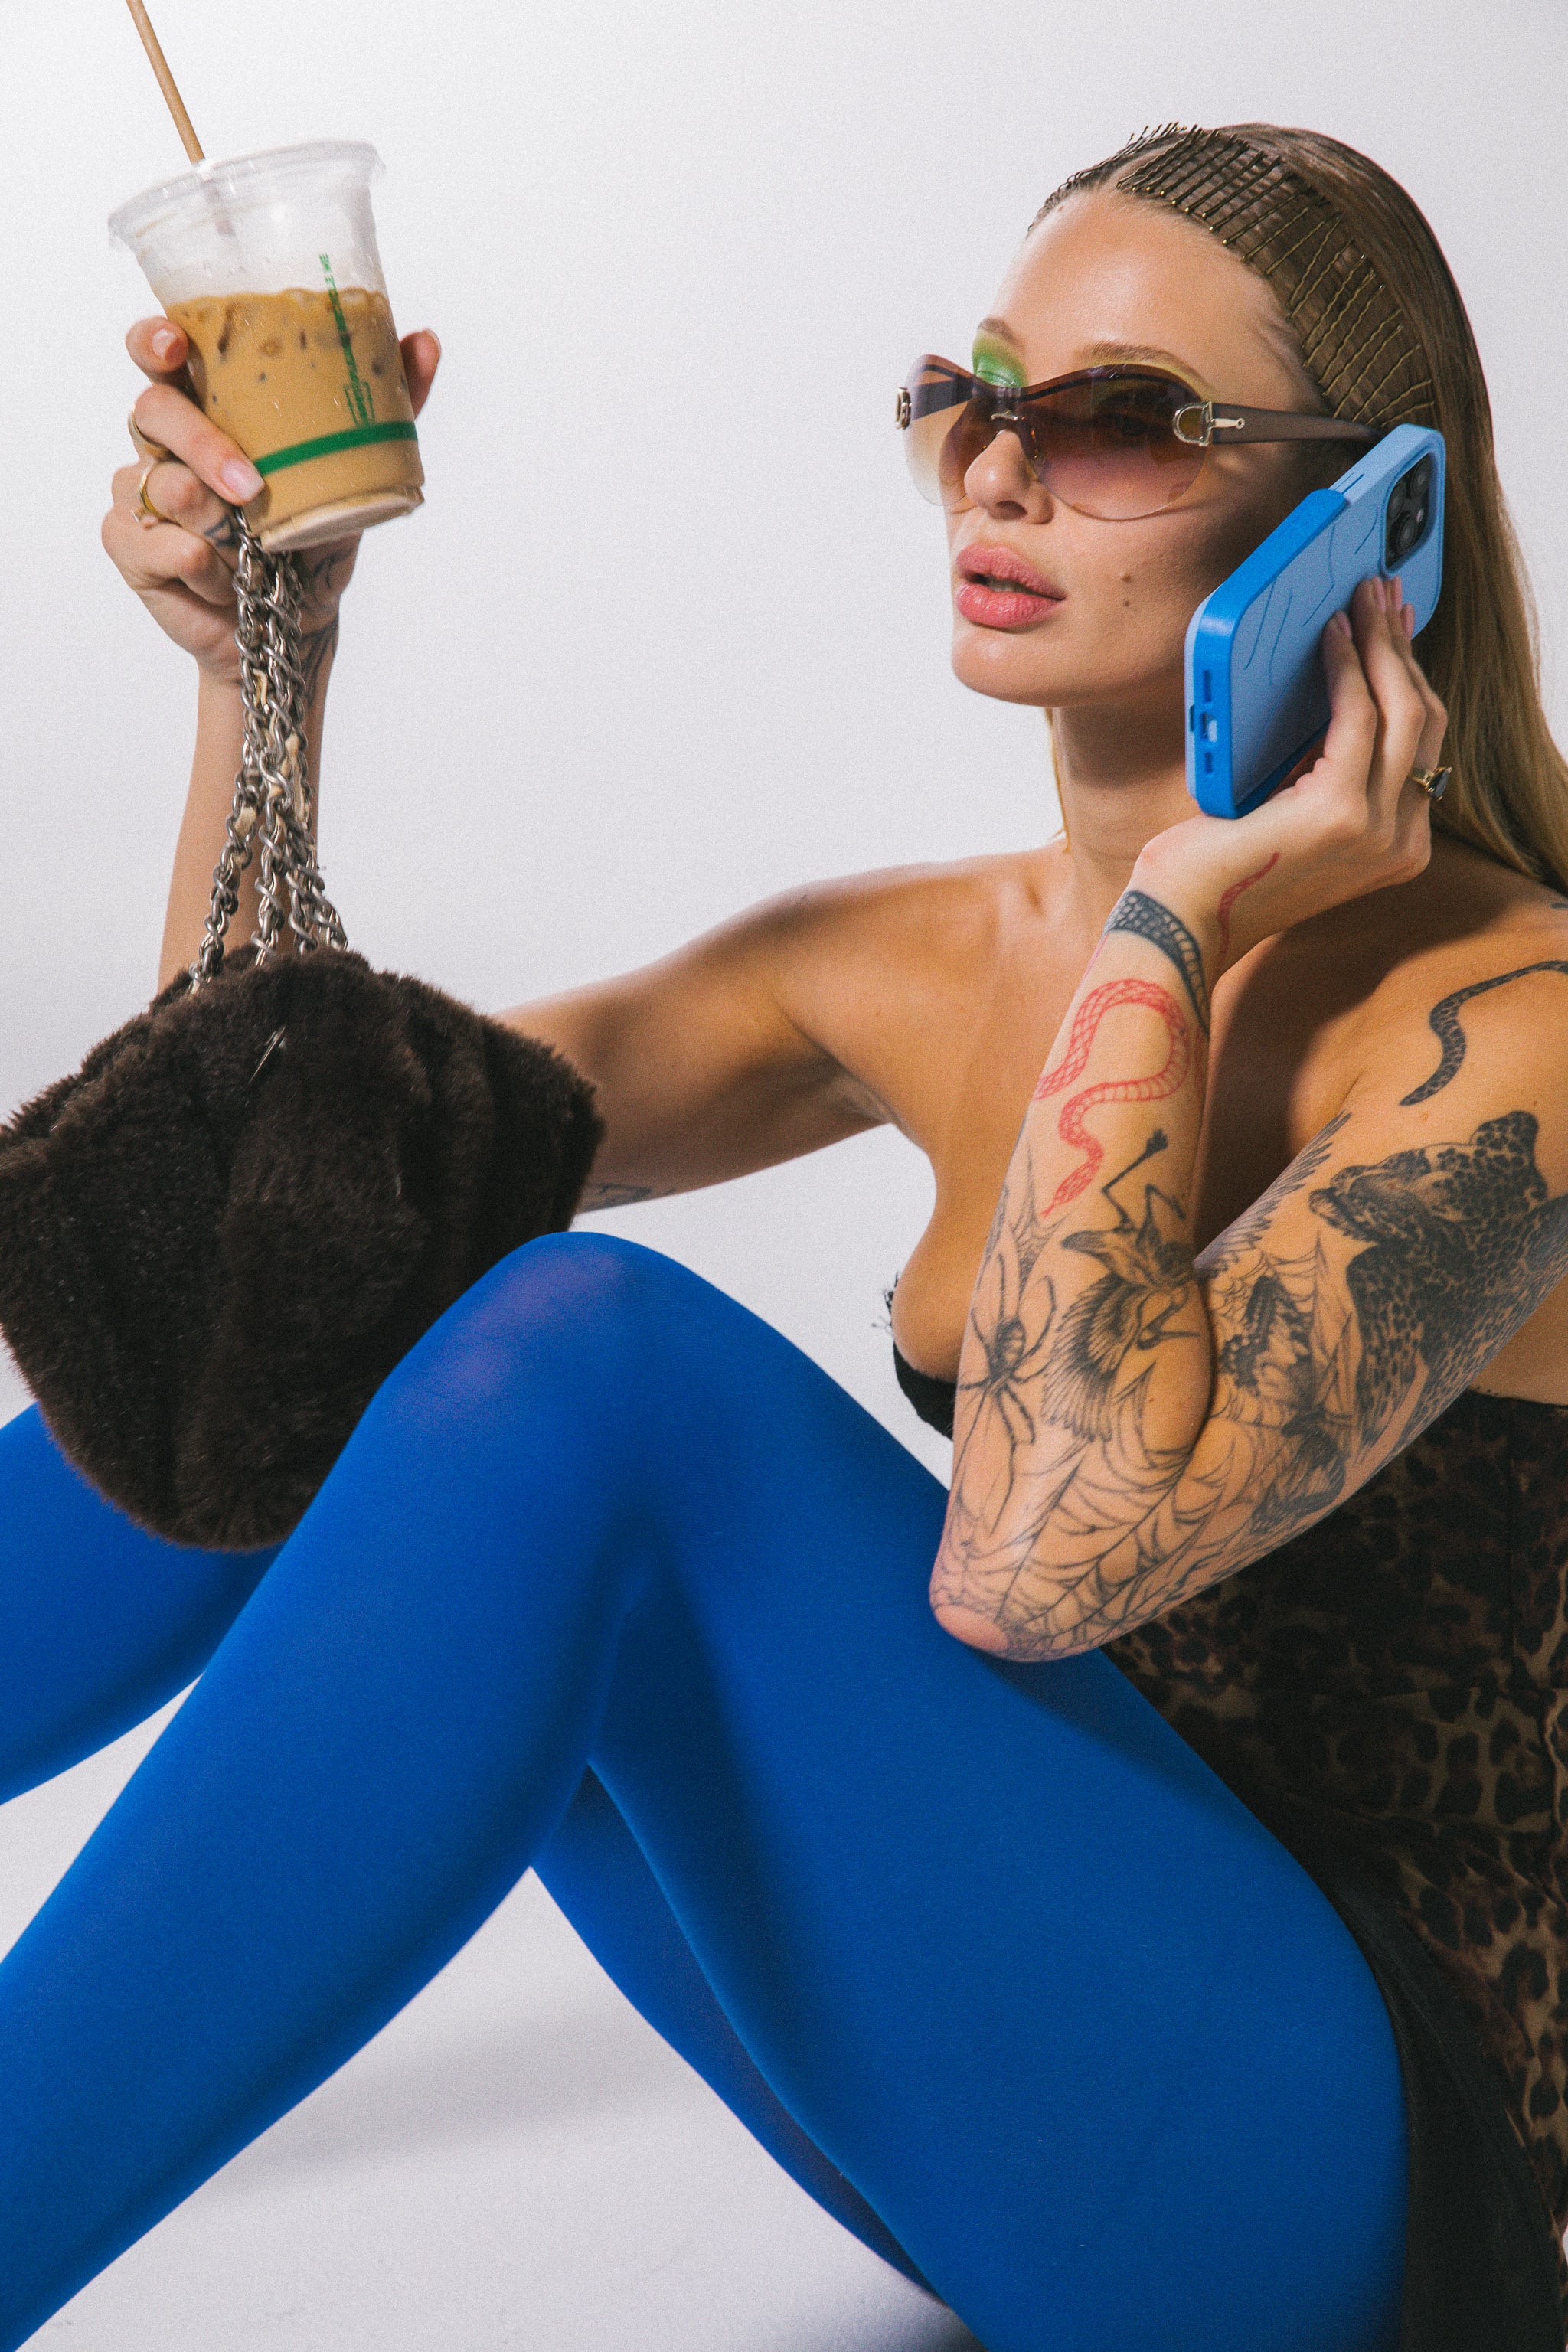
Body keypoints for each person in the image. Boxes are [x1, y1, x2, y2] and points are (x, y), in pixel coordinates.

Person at [2, 117, 1565, 2351]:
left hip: (1357, 2190)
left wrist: (1184, 917)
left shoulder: (1516, 1028)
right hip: (991, 2064)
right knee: (419, 1294)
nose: (1000, 473)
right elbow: (255, 1259)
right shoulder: (907, 964)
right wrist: (262, 676)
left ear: (1371, 521)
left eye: (1122, 421)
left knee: (596, 1367)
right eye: (975, 396)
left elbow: (1033, 1562)